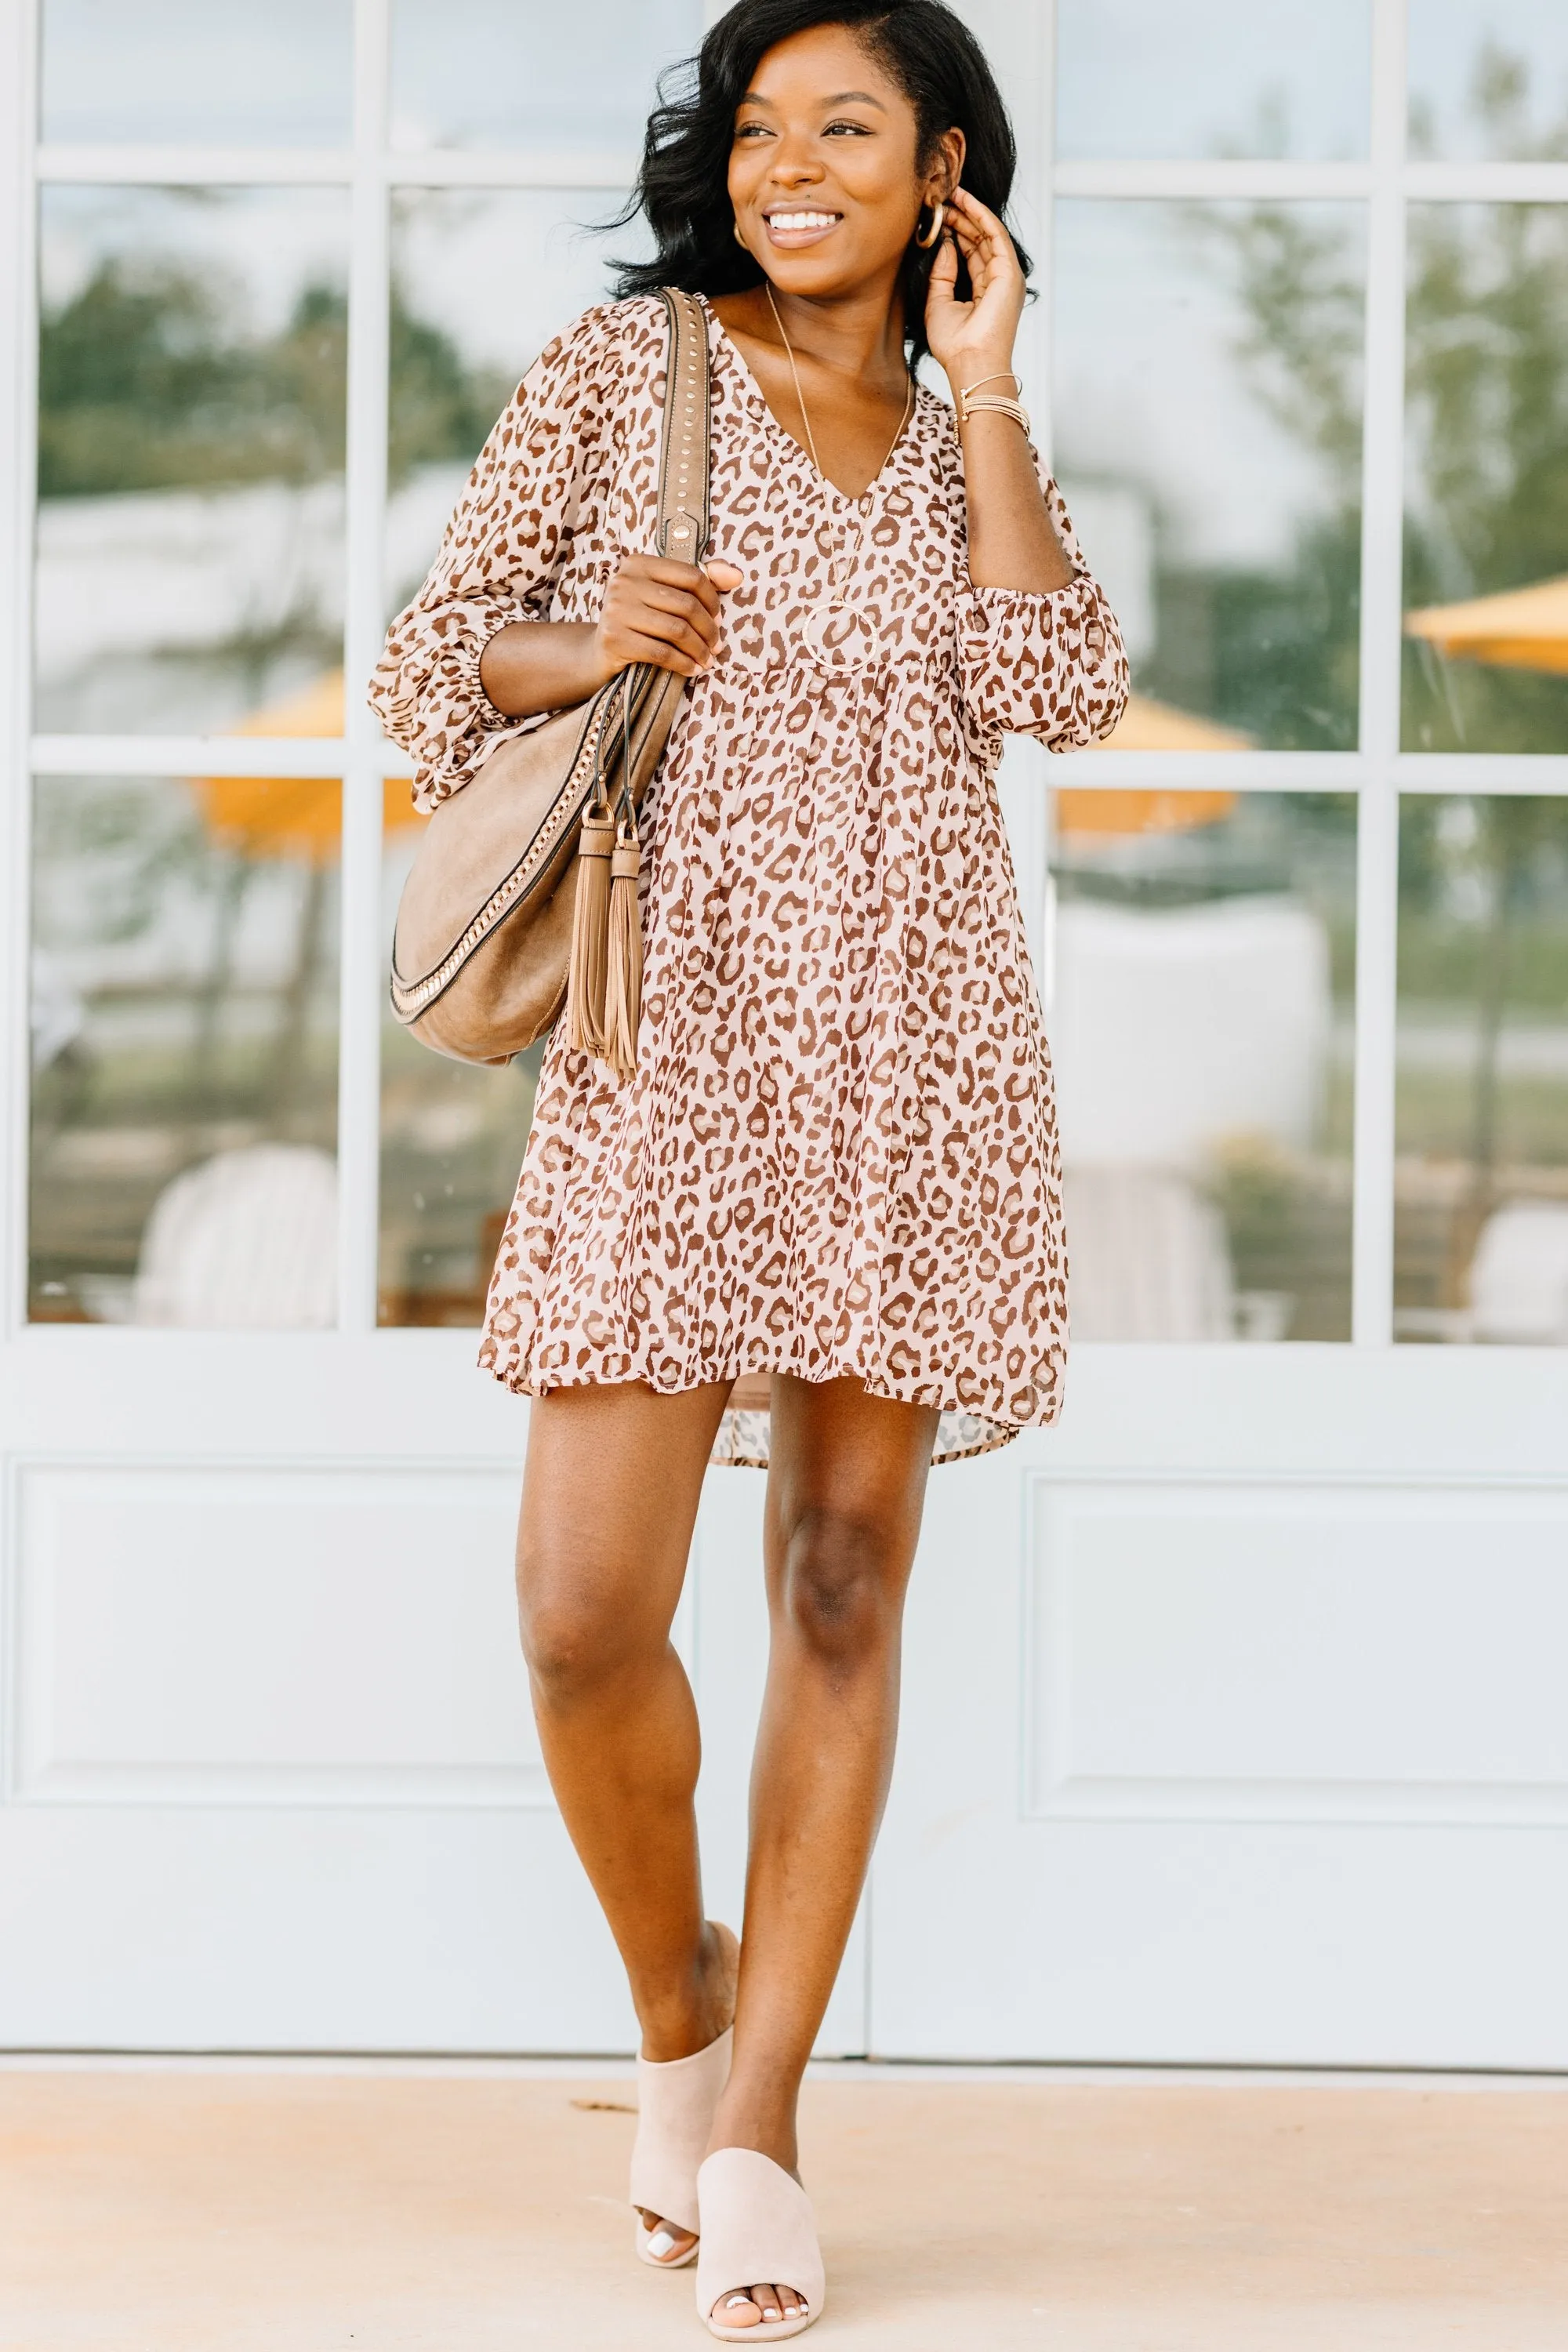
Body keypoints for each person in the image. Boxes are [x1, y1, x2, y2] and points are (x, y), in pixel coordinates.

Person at [370, 1, 1126, 2335]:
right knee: (586, 1616)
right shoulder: (626, 376)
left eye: (851, 128)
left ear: (946, 177)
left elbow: (1062, 689)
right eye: (762, 125)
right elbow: (420, 672)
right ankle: (681, 2009)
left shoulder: (961, 425)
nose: (792, 162)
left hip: (915, 1067)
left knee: (835, 1590)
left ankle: (771, 2117)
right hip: (667, 1065)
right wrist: (582, 635)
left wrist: (985, 388)